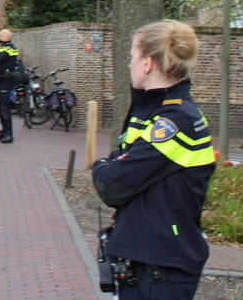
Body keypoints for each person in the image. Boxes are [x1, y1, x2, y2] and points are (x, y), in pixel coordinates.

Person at [92, 20, 214, 299]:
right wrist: (114, 165)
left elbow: (112, 183)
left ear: (147, 63)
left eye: (132, 57)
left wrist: (103, 166)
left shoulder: (176, 121)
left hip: (161, 267)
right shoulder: (151, 112)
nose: (129, 65)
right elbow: (121, 165)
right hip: (147, 259)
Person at [0, 28, 19, 144]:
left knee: (4, 108)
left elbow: (0, 58)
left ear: (7, 37)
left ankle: (9, 135)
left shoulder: (9, 48)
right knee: (0, 107)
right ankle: (4, 131)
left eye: (1, 34)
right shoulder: (3, 46)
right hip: (0, 80)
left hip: (6, 81)